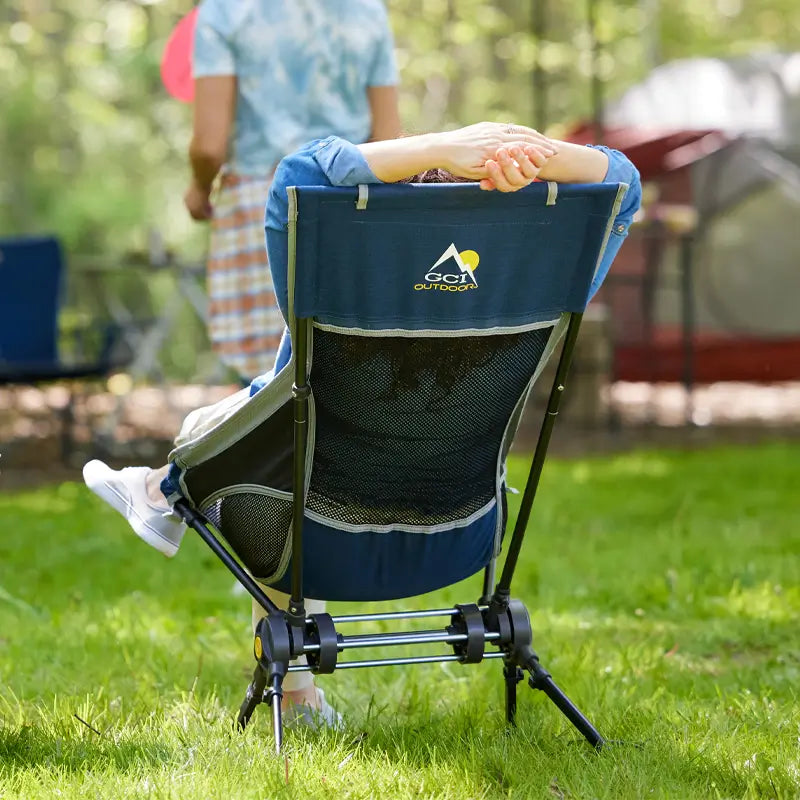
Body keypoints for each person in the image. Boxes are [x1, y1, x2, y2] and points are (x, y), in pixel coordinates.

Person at [85, 121, 641, 727]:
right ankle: (156, 489)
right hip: (460, 533)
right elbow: (623, 183)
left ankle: (163, 492)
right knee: (285, 397)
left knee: (271, 416)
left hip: (318, 541)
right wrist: (534, 153)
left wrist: (440, 147)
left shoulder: (345, 273)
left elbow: (304, 173)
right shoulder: (539, 271)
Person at [186, 0, 401, 382]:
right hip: (347, 203)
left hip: (259, 200)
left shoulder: (224, 10)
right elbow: (387, 140)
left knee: (263, 375)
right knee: (340, 367)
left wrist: (199, 189)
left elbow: (208, 147)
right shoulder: (367, 9)